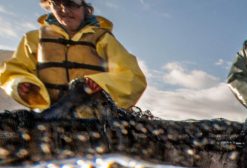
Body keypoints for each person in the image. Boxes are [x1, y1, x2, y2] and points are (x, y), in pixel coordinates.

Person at [0, 0, 146, 111]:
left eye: (71, 3)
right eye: (57, 3)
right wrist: (20, 83)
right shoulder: (32, 39)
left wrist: (100, 83)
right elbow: (12, 72)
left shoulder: (103, 38)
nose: (64, 9)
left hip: (96, 119)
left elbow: (132, 78)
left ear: (84, 7)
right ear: (50, 6)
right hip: (47, 117)